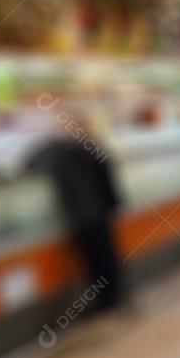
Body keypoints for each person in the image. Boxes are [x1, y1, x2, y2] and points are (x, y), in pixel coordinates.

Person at [28, 133, 124, 313]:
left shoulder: (57, 155)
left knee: (96, 260)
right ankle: (113, 296)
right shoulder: (86, 151)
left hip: (83, 216)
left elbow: (31, 166)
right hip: (98, 211)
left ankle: (108, 298)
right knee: (106, 257)